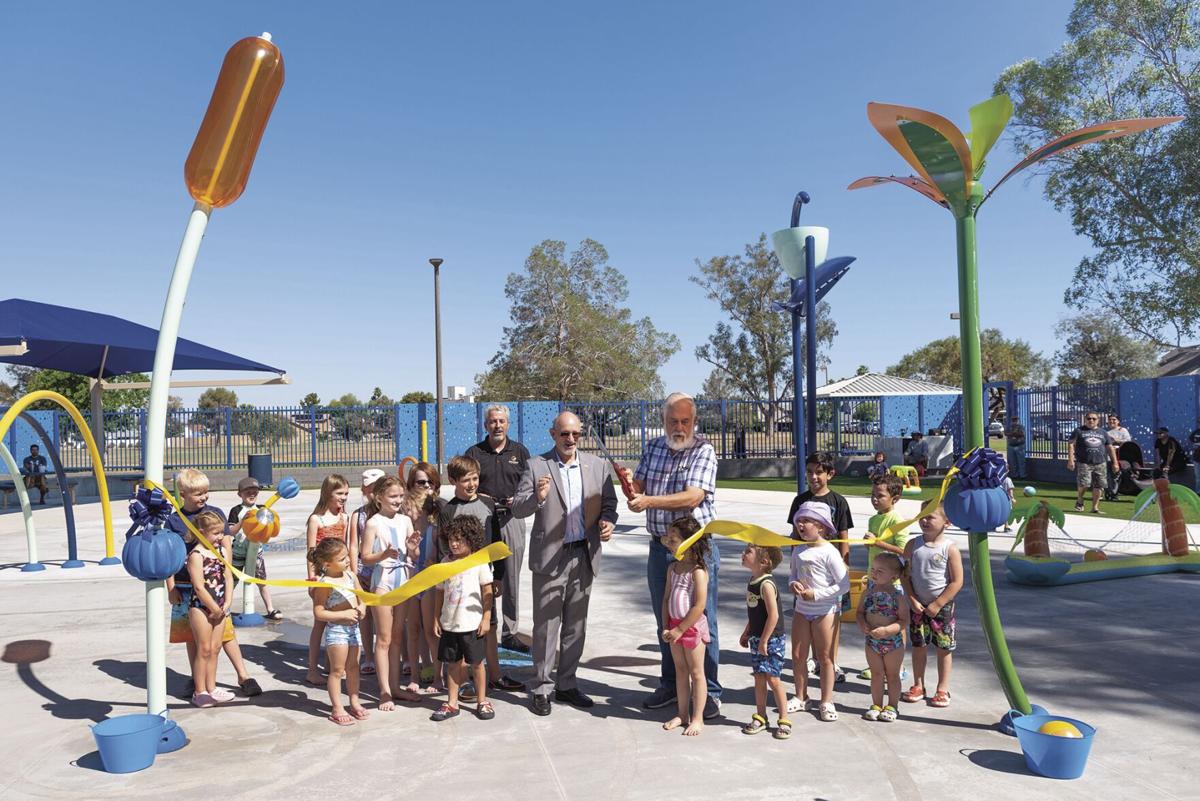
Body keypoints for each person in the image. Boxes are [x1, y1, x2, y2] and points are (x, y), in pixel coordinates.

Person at [510, 410, 617, 716]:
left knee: (576, 626)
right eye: (565, 434)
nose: (571, 439)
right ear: (553, 434)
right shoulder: (536, 465)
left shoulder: (597, 466)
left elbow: (609, 504)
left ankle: (567, 684)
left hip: (584, 554)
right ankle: (542, 687)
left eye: (576, 434)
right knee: (546, 627)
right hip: (550, 559)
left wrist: (607, 522)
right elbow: (518, 508)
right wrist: (539, 498)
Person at [626, 392, 721, 719]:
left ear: (695, 422)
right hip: (659, 547)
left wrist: (648, 501)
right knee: (666, 618)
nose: (679, 427)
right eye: (672, 421)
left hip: (695, 551)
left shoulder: (703, 450)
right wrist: (631, 488)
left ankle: (709, 691)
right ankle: (670, 683)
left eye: (685, 421)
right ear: (663, 421)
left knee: (702, 619)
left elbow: (693, 497)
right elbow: (638, 485)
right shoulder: (652, 447)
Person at [166, 468, 261, 699]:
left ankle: (243, 675)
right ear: (183, 493)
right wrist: (171, 587)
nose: (204, 497)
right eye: (198, 493)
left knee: (224, 632)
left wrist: (226, 575)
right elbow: (169, 556)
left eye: (206, 492)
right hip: (185, 585)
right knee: (193, 636)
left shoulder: (215, 513)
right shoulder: (174, 520)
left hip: (214, 585)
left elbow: (226, 544)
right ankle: (197, 679)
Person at [439, 455, 521, 695]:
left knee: (489, 627)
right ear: (453, 480)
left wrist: (499, 576)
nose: (472, 484)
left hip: (483, 578)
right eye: (466, 480)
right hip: (458, 582)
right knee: (461, 629)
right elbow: (445, 548)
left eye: (475, 478)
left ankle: (494, 676)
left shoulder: (487, 504)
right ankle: (464, 680)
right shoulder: (449, 509)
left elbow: (497, 542)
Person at [465, 404, 532, 653]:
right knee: (480, 575)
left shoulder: (520, 451)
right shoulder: (475, 452)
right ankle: (479, 626)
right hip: (482, 520)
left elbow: (530, 482)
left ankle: (510, 632)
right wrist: (480, 496)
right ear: (485, 425)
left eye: (501, 421)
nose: (497, 426)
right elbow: (464, 481)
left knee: (511, 578)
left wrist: (521, 497)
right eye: (493, 421)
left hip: (512, 519)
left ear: (508, 424)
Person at [784, 452, 853, 683]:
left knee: (832, 616)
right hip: (807, 571)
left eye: (819, 472)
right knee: (806, 614)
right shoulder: (799, 501)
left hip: (830, 570)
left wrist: (844, 561)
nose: (813, 476)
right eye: (810, 471)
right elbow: (795, 535)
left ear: (830, 474)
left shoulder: (839, 502)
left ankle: (831, 661)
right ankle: (813, 659)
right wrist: (794, 563)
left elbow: (844, 536)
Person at [360, 474, 425, 708]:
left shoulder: (405, 520)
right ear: (379, 498)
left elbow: (413, 556)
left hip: (403, 582)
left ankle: (396, 687)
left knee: (398, 637)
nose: (398, 500)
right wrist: (383, 555)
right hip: (383, 582)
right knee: (384, 639)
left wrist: (412, 549)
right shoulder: (373, 523)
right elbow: (365, 558)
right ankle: (384, 691)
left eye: (400, 496)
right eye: (393, 496)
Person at [788, 501, 850, 723]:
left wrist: (817, 594)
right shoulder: (799, 550)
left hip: (825, 611)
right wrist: (793, 584)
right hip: (801, 611)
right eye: (799, 521)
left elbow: (844, 585)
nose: (801, 525)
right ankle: (801, 696)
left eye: (806, 521)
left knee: (825, 658)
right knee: (798, 656)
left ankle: (826, 700)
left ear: (822, 526)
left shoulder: (830, 552)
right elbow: (792, 575)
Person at [430, 516, 496, 722]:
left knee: (477, 664)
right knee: (452, 664)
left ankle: (482, 700)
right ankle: (452, 703)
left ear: (471, 539)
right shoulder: (445, 562)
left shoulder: (479, 562)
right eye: (451, 539)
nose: (454, 543)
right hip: (450, 623)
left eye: (459, 539)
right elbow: (439, 592)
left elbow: (487, 591)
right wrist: (436, 617)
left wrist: (486, 618)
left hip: (471, 624)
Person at [901, 506, 963, 709]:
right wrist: (911, 598)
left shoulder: (949, 548)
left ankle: (942, 688)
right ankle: (918, 685)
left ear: (947, 522)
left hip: (942, 607)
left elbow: (957, 581)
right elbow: (905, 575)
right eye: (922, 516)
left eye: (930, 517)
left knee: (944, 648)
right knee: (919, 646)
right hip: (917, 605)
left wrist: (938, 603)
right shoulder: (912, 545)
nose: (924, 521)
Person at [657, 517, 711, 736]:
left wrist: (681, 629)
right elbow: (666, 598)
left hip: (692, 628)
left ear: (689, 542)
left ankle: (698, 718)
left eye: (673, 539)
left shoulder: (698, 571)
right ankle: (682, 713)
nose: (668, 542)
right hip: (674, 627)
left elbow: (699, 605)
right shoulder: (673, 568)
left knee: (697, 672)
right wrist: (665, 625)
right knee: (681, 671)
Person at [308, 537, 369, 726]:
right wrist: (343, 614)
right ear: (328, 564)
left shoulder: (351, 576)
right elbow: (319, 612)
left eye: (346, 557)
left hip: (353, 629)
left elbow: (362, 597)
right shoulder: (325, 583)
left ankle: (354, 701)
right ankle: (337, 708)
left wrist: (363, 608)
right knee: (337, 670)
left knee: (353, 668)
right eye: (342, 559)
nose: (348, 560)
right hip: (337, 630)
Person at [180, 511, 233, 708]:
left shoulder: (223, 552)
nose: (220, 537)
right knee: (203, 649)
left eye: (221, 533)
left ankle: (212, 688)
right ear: (201, 533)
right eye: (216, 533)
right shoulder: (196, 555)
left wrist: (227, 603)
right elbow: (199, 586)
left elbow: (228, 577)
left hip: (220, 607)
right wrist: (213, 607)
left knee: (215, 648)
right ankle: (199, 690)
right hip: (201, 608)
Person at [859, 474, 909, 681]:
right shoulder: (874, 519)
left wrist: (878, 543)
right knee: (875, 617)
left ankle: (899, 664)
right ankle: (877, 659)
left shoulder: (897, 520)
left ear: (895, 498)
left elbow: (903, 550)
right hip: (874, 579)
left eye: (880, 495)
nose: (874, 499)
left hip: (892, 582)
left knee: (896, 621)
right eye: (872, 495)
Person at [738, 543, 790, 739]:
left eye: (748, 552)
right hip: (757, 637)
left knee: (773, 679)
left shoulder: (766, 584)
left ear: (764, 561)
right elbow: (755, 613)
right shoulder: (753, 580)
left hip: (772, 639)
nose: (743, 554)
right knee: (759, 678)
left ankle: (784, 719)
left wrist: (764, 641)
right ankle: (761, 716)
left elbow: (773, 616)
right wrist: (747, 632)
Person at [304, 474, 352, 686]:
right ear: (327, 493)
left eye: (346, 494)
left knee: (339, 620)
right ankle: (312, 669)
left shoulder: (345, 517)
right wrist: (312, 579)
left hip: (341, 576)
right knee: (320, 623)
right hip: (324, 576)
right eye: (339, 493)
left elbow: (348, 548)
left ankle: (334, 665)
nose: (343, 498)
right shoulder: (317, 519)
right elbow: (311, 552)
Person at [856, 553, 909, 722]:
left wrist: (887, 630)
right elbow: (859, 613)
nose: (874, 573)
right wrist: (862, 623)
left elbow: (903, 621)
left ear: (894, 576)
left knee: (893, 675)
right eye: (873, 569)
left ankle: (893, 705)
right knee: (876, 674)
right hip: (872, 642)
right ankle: (876, 704)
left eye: (880, 571)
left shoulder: (897, 597)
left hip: (893, 642)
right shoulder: (867, 594)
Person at [408, 462, 445, 691]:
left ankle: (438, 676)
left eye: (430, 482)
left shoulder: (437, 519)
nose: (426, 487)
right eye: (421, 482)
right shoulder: (404, 519)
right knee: (412, 630)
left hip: (430, 581)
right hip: (410, 581)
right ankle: (414, 673)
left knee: (432, 630)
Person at [227, 477, 282, 622]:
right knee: (231, 582)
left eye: (255, 492)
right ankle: (225, 607)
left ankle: (270, 609)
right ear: (240, 494)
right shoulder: (236, 510)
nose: (251, 495)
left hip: (256, 552)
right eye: (247, 492)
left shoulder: (262, 509)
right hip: (238, 552)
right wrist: (242, 521)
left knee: (262, 581)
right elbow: (230, 531)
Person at [351, 468, 386, 674]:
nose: (374, 493)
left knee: (392, 614)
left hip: (387, 572)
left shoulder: (394, 511)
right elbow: (354, 544)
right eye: (371, 489)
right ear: (364, 491)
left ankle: (403, 656)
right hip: (365, 571)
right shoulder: (359, 515)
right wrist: (354, 573)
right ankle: (369, 655)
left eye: (379, 488)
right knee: (366, 616)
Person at [1066, 412, 1118, 514]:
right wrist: (1071, 460)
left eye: (1094, 419)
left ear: (1098, 420)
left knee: (1099, 486)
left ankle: (1095, 507)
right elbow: (1071, 444)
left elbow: (1110, 447)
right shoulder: (1078, 431)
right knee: (1084, 484)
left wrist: (1115, 462)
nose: (1091, 421)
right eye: (1089, 418)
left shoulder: (1103, 433)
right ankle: (1080, 499)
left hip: (1100, 462)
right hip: (1084, 462)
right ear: (1085, 420)